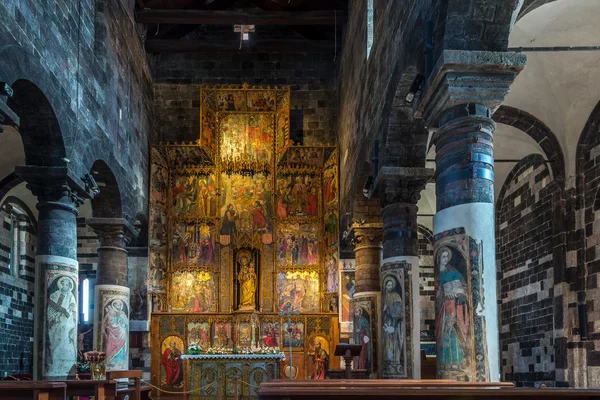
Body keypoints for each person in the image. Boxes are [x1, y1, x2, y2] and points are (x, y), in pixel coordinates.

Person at [435, 246, 469, 372]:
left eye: (446, 257)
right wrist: (441, 293)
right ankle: (445, 364)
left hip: (452, 305)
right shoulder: (437, 274)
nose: (445, 259)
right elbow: (436, 293)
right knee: (444, 331)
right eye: (443, 257)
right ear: (439, 258)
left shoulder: (453, 271)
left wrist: (457, 292)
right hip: (443, 307)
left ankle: (457, 362)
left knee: (453, 332)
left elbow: (462, 286)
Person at [46, 276, 77, 376]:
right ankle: (54, 364)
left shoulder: (71, 296)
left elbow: (73, 308)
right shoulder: (55, 294)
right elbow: (51, 305)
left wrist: (69, 309)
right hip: (55, 322)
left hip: (66, 321)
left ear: (69, 286)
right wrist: (57, 314)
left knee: (65, 338)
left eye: (67, 285)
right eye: (63, 284)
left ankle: (65, 364)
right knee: (54, 341)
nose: (65, 286)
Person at [382, 277, 404, 374]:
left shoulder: (396, 295)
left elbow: (399, 310)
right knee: (387, 343)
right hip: (386, 322)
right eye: (388, 285)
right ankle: (389, 362)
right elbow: (381, 312)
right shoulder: (383, 296)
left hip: (394, 324)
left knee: (395, 343)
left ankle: (396, 363)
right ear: (385, 285)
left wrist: (389, 308)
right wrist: (384, 309)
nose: (389, 287)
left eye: (391, 285)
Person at [104, 299, 128, 366]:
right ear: (114, 305)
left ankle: (120, 361)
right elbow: (105, 324)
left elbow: (126, 324)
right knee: (110, 346)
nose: (119, 306)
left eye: (120, 304)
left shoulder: (122, 314)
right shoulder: (109, 313)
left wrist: (123, 325)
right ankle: (110, 360)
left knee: (121, 346)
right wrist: (109, 325)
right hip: (111, 333)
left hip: (121, 334)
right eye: (117, 304)